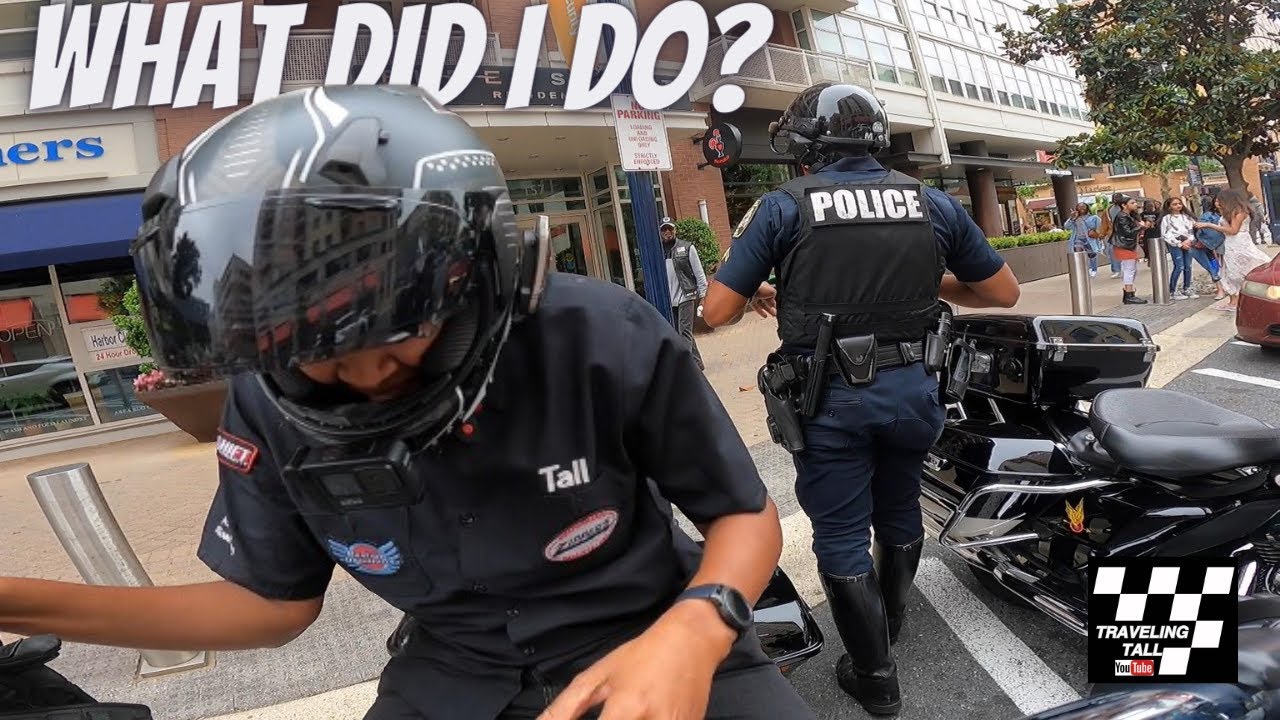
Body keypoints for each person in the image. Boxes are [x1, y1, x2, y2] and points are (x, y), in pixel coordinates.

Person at [0, 85, 820, 720]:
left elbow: (742, 516)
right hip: (452, 673)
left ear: (474, 275)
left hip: (654, 627)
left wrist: (699, 627)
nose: (361, 377)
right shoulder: (265, 398)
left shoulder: (598, 334)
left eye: (395, 336)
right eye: (314, 355)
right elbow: (272, 603)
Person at [701, 82, 1020, 716]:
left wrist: (773, 288)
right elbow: (1003, 293)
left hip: (832, 401)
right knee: (900, 509)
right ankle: (891, 623)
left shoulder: (782, 206)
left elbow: (714, 311)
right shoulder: (930, 202)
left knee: (841, 535)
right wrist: (932, 282)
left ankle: (875, 676)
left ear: (811, 145)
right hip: (915, 394)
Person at [1197, 188, 1272, 313]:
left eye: (1219, 200)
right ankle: (1233, 300)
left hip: (1239, 242)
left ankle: (1240, 298)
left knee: (1244, 267)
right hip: (1229, 243)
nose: (1216, 203)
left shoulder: (1240, 212)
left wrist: (1209, 225)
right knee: (1228, 271)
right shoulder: (1229, 212)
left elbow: (1233, 230)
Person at [661, 217, 708, 371]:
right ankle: (697, 362)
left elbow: (699, 273)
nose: (668, 232)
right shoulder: (659, 251)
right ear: (661, 233)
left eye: (670, 229)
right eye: (664, 229)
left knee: (684, 332)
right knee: (679, 331)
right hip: (670, 299)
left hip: (686, 295)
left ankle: (685, 369)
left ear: (675, 230)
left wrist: (703, 297)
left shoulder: (687, 248)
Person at [1112, 195, 1150, 304]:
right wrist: (1141, 226)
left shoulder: (1128, 216)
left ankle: (1129, 293)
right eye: (1132, 203)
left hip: (1127, 244)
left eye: (1135, 203)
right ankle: (1129, 294)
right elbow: (1128, 232)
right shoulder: (1122, 216)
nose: (1135, 205)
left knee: (1131, 269)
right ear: (1124, 205)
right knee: (1129, 269)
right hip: (1124, 245)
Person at [1160, 196, 1198, 300]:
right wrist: (1179, 243)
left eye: (1179, 203)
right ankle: (1173, 290)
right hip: (1175, 244)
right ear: (1169, 206)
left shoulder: (1187, 217)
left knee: (1188, 266)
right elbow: (1166, 234)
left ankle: (1187, 287)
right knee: (1179, 266)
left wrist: (1189, 240)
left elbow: (1191, 231)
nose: (1178, 206)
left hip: (1187, 242)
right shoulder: (1166, 219)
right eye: (1174, 204)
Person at [1066, 202, 1100, 276]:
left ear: (1087, 208)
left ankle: (1093, 269)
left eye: (1083, 207)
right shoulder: (1075, 218)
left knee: (1092, 255)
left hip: (1089, 239)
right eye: (1079, 207)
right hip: (1078, 239)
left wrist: (1099, 238)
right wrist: (1071, 218)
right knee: (1079, 254)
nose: (1081, 208)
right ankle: (1082, 270)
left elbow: (1099, 228)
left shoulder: (1094, 217)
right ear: (1077, 208)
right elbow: (1067, 227)